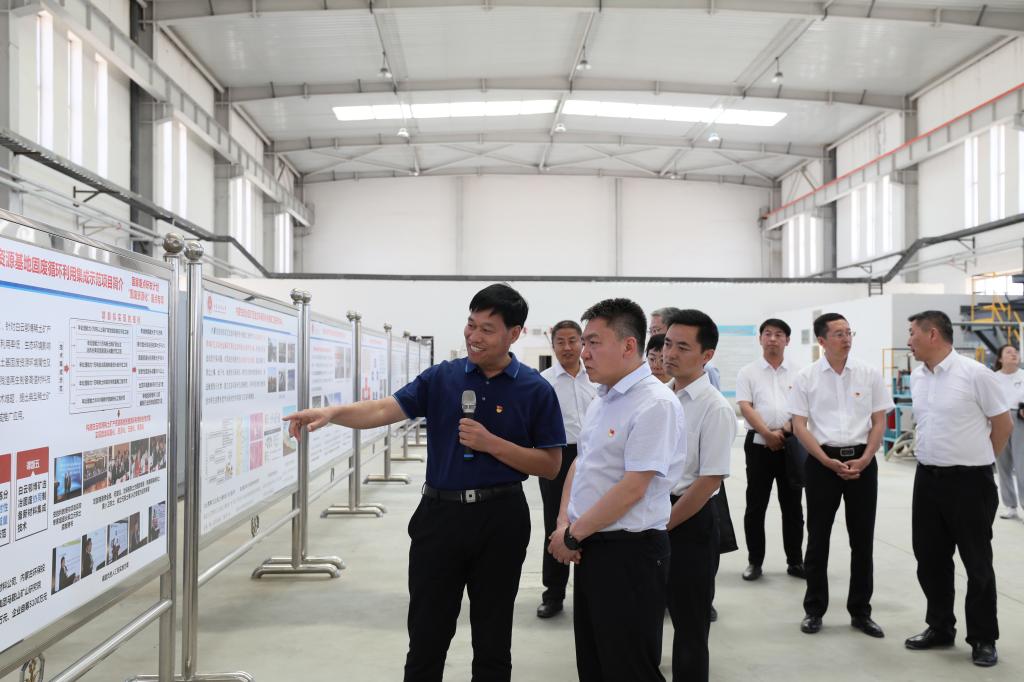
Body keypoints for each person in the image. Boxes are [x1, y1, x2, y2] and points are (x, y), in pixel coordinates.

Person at [284, 283, 565, 682]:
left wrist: (492, 444)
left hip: (501, 519)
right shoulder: (442, 378)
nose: (474, 336)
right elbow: (383, 409)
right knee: (427, 637)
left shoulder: (535, 389)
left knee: (493, 638)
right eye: (471, 325)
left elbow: (551, 465)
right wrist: (333, 413)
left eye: (487, 329)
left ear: (514, 333)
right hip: (440, 517)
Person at [548, 298, 684, 682]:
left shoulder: (655, 404)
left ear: (628, 345)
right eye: (584, 343)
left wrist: (572, 535)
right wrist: (564, 523)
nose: (583, 353)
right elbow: (582, 462)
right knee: (595, 662)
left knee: (628, 667)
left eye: (593, 342)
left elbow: (633, 488)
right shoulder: (603, 398)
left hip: (630, 553)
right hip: (592, 545)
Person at [905, 311, 1011, 667]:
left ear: (932, 334)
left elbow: (1003, 424)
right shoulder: (918, 377)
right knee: (929, 559)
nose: (909, 341)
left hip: (969, 482)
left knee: (976, 563)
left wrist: (980, 461)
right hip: (927, 479)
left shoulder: (975, 374)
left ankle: (983, 638)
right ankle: (940, 627)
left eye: (912, 333)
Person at [788, 312, 892, 638]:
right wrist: (824, 460)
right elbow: (799, 425)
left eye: (849, 333)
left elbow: (879, 421)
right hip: (822, 463)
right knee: (818, 539)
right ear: (821, 340)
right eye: (838, 334)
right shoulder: (806, 377)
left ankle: (861, 612)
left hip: (863, 461)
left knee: (862, 540)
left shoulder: (868, 373)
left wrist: (866, 458)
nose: (846, 339)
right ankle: (814, 609)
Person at [661, 309, 734, 682]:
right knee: (647, 614)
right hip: (649, 513)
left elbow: (708, 482)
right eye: (667, 344)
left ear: (707, 355)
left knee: (689, 625)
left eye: (682, 347)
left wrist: (662, 526)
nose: (670, 354)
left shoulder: (714, 407)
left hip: (688, 519)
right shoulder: (659, 397)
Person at [536, 320, 598, 618]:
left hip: (594, 455)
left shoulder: (596, 377)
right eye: (560, 341)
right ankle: (554, 594)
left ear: (582, 342)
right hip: (557, 454)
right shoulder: (544, 382)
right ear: (553, 345)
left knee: (593, 520)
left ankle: (592, 592)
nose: (567, 347)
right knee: (555, 523)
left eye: (573, 340)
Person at [736, 318, 805, 581]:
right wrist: (767, 433)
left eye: (778, 334)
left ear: (787, 340)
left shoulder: (799, 372)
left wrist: (784, 432)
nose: (772, 339)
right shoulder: (748, 372)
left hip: (791, 444)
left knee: (793, 507)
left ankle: (795, 561)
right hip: (758, 445)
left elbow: (803, 407)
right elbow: (746, 406)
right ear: (760, 339)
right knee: (756, 506)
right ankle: (755, 562)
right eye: (767, 334)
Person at [992, 344, 1024, 520]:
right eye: (1009, 352)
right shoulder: (993, 378)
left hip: (1020, 420)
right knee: (1003, 466)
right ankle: (1010, 505)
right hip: (999, 419)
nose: (1014, 354)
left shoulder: (1023, 375)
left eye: (1015, 352)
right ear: (1000, 359)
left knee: (1022, 466)